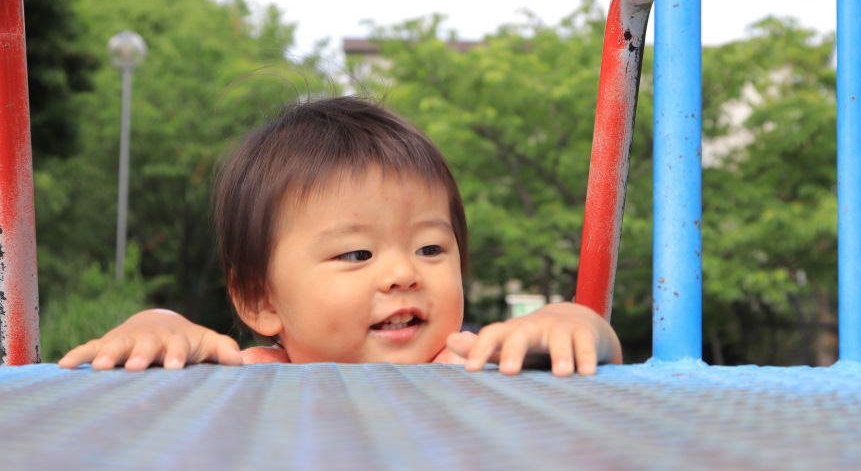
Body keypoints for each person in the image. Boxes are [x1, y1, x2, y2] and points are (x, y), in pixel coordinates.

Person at [59, 96, 621, 376]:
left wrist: (572, 322)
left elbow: (601, 348)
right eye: (357, 253)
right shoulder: (256, 373)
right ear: (261, 298)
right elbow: (176, 344)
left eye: (430, 248)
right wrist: (156, 327)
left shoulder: (467, 361)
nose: (404, 273)